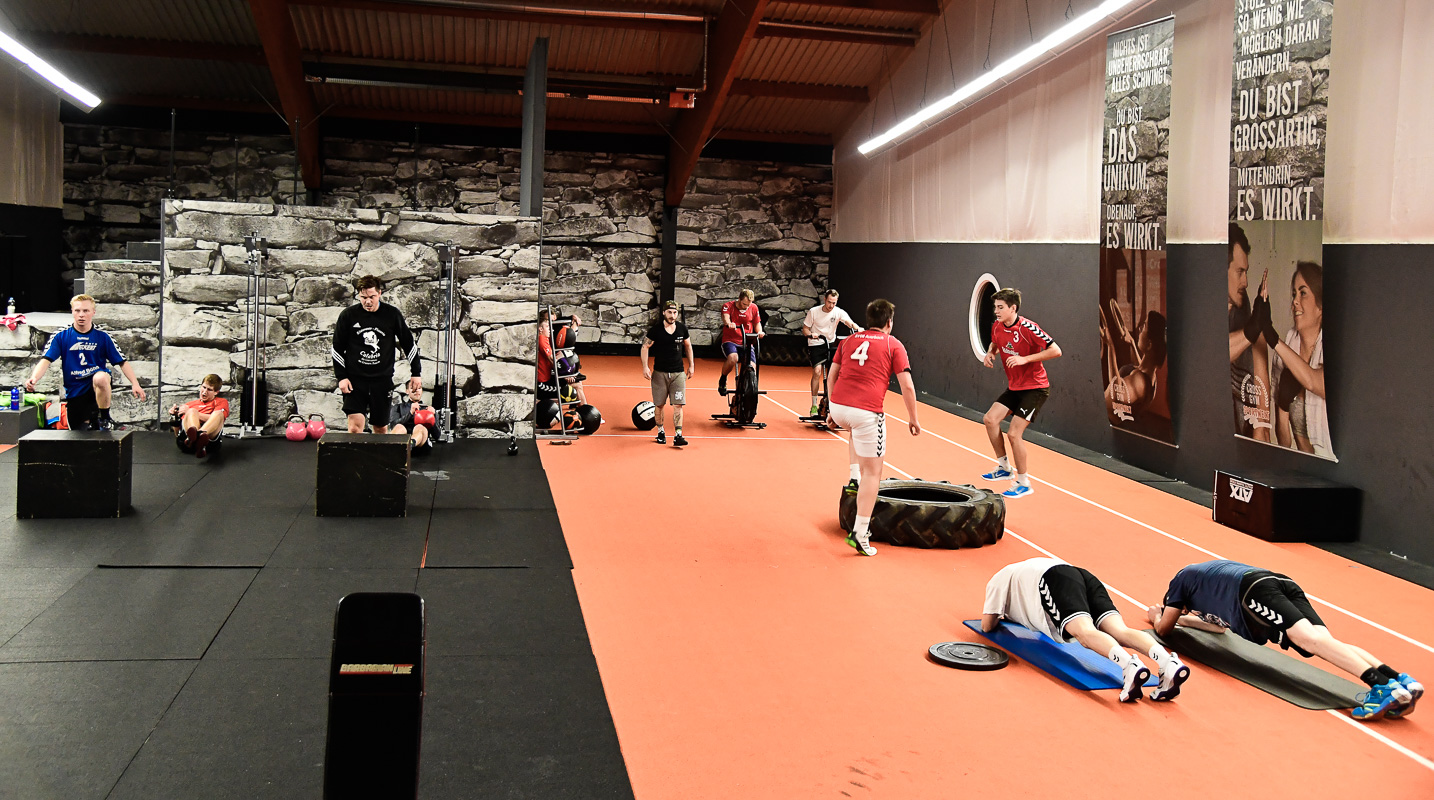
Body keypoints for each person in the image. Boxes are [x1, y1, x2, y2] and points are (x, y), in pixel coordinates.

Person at [1149, 560, 1423, 721]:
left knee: (1307, 641)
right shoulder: (1205, 585)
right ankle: (1400, 680)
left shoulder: (1179, 584)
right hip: (1275, 581)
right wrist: (1186, 619)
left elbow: (1164, 630)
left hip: (1251, 591)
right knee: (1322, 640)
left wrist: (1156, 616)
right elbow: (1219, 629)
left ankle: (1381, 685)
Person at [984, 557, 1190, 702]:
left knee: (1084, 633)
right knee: (1119, 631)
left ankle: (1129, 666)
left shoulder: (996, 582)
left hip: (1053, 579)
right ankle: (1167, 662)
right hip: (1081, 574)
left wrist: (1004, 616)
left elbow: (987, 624)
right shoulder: (1019, 570)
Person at [826, 299, 921, 557]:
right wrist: (913, 417)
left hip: (839, 406)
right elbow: (908, 386)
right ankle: (860, 532)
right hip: (866, 413)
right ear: (889, 322)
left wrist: (831, 409)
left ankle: (853, 475)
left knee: (855, 431)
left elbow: (832, 375)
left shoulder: (847, 341)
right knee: (874, 473)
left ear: (868, 320)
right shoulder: (894, 344)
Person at [980, 288, 1061, 499]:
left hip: (1035, 388)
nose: (996, 311)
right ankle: (1004, 468)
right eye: (995, 307)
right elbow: (996, 342)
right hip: (1015, 387)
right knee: (990, 419)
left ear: (1013, 308)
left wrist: (1026, 359)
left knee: (1014, 434)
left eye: (1000, 307)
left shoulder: (1028, 328)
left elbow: (1055, 350)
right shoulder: (997, 326)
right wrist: (990, 353)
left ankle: (1024, 482)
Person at [26, 293, 147, 430]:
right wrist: (33, 379)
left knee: (101, 377)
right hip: (75, 391)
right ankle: (91, 423)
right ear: (72, 311)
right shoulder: (61, 336)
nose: (81, 315)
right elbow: (46, 360)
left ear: (93, 312)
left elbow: (122, 362)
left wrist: (135, 384)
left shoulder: (103, 336)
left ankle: (105, 418)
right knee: (79, 436)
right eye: (77, 310)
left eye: (85, 311)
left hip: (96, 388)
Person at [332, 276, 421, 434]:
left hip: (381, 380)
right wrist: (341, 377)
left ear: (379, 294)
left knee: (380, 428)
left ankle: (379, 458)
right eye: (363, 297)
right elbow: (337, 348)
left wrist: (416, 373)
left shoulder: (391, 314)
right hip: (355, 380)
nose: (367, 301)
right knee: (354, 427)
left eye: (371, 297)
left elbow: (409, 344)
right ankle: (356, 459)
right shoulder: (348, 316)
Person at [1265, 262, 1330, 457]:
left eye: (1303, 293)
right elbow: (1284, 442)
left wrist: (1272, 338)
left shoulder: (1332, 345)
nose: (1294, 301)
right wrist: (1283, 406)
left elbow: (1315, 381)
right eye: (1294, 294)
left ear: (1320, 305)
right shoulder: (1287, 347)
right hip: (1300, 467)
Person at [1228, 222, 1272, 442]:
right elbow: (1207, 357)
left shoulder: (1251, 325)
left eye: (1247, 272)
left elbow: (1263, 419)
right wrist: (1251, 330)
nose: (1245, 281)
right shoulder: (1199, 314)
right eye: (1239, 272)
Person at [640, 300, 695, 447]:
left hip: (678, 373)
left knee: (678, 405)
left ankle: (678, 435)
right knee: (659, 405)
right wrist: (645, 367)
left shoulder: (682, 329)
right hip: (660, 373)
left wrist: (691, 365)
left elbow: (688, 346)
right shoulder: (656, 330)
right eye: (670, 312)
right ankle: (660, 432)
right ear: (664, 312)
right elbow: (645, 346)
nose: (672, 315)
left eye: (675, 312)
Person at [801, 289, 862, 416]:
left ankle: (830, 403)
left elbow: (849, 322)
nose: (831, 306)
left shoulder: (838, 312)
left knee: (834, 374)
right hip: (816, 344)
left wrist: (858, 328)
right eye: (829, 302)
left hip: (830, 344)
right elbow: (805, 329)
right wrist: (811, 334)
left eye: (834, 303)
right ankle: (813, 405)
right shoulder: (814, 312)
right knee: (817, 371)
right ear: (824, 300)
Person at [1100, 305, 1167, 418]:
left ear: (1149, 344)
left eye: (1144, 327)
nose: (1140, 329)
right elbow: (1140, 366)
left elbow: (1117, 396)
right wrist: (1132, 343)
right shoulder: (1150, 375)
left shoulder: (1140, 381)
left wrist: (1110, 346)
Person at [537, 309, 587, 412]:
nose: (551, 327)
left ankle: (577, 408)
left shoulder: (548, 336)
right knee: (577, 385)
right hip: (542, 385)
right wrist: (566, 376)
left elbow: (567, 333)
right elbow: (553, 361)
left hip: (548, 378)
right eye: (548, 324)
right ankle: (586, 413)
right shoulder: (542, 339)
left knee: (577, 383)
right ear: (540, 328)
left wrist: (573, 319)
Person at [169, 373, 229, 459]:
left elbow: (217, 420)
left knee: (219, 414)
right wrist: (174, 417)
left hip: (209, 442)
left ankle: (200, 437)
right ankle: (196, 439)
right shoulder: (189, 405)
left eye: (209, 390)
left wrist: (197, 415)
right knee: (192, 411)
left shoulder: (221, 402)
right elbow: (177, 433)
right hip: (187, 443)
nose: (204, 392)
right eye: (204, 387)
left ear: (216, 392)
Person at [717, 289, 763, 396]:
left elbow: (757, 323)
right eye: (744, 304)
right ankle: (723, 379)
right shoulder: (728, 306)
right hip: (731, 340)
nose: (746, 307)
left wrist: (759, 331)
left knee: (752, 366)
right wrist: (729, 323)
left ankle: (747, 386)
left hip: (746, 341)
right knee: (733, 358)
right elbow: (725, 318)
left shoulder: (754, 308)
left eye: (749, 304)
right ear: (739, 299)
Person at [388, 384, 435, 455]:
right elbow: (393, 425)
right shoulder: (398, 407)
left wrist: (433, 417)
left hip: (421, 445)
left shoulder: (428, 409)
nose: (416, 391)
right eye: (413, 388)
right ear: (407, 391)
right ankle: (390, 447)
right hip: (401, 443)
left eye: (419, 388)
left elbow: (437, 435)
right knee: (399, 427)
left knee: (419, 427)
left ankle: (410, 444)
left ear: (421, 390)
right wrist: (410, 413)